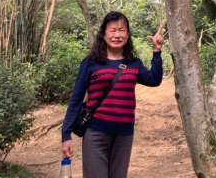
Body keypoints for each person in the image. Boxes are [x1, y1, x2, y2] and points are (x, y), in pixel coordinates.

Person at [61, 11, 164, 178]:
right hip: (96, 133)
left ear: (128, 34)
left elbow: (154, 80)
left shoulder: (133, 63)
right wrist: (66, 135)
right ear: (103, 34)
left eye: (122, 30)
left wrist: (157, 51)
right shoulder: (91, 63)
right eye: (112, 30)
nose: (117, 35)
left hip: (124, 134)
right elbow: (76, 99)